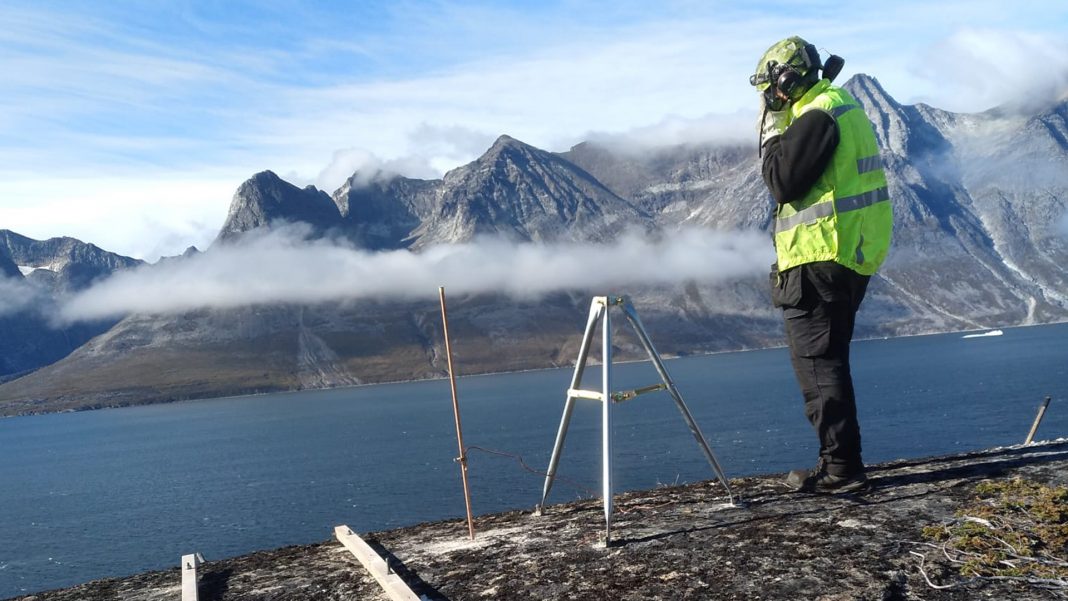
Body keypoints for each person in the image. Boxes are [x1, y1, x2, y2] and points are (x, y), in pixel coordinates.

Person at [750, 36, 893, 493]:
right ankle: (840, 462)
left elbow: (780, 181)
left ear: (787, 80)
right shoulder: (840, 106)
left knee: (818, 366)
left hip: (818, 258)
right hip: (846, 254)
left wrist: (772, 127)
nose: (770, 97)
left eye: (771, 88)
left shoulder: (817, 115)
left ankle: (842, 470)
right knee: (829, 362)